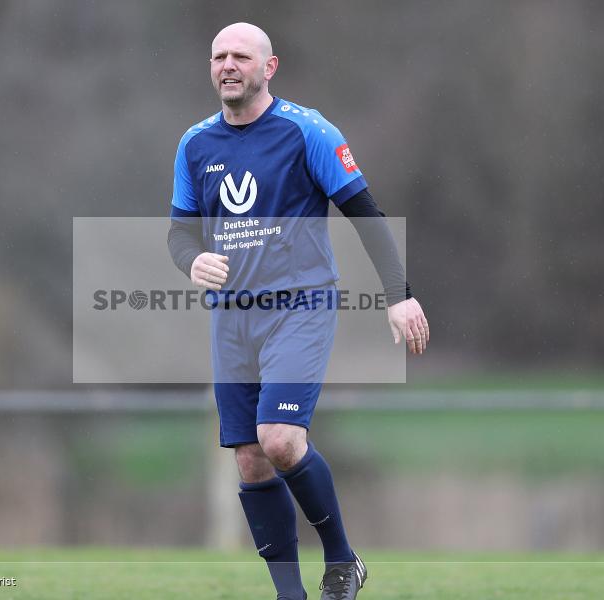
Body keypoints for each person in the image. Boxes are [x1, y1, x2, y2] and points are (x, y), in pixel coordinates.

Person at [167, 22, 429, 600]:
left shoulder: (306, 131)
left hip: (300, 307)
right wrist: (192, 262)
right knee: (251, 461)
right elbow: (180, 235)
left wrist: (398, 293)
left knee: (280, 439)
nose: (227, 65)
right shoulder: (195, 144)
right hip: (231, 319)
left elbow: (366, 212)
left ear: (270, 67)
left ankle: (342, 562)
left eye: (241, 56)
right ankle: (290, 594)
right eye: (218, 56)